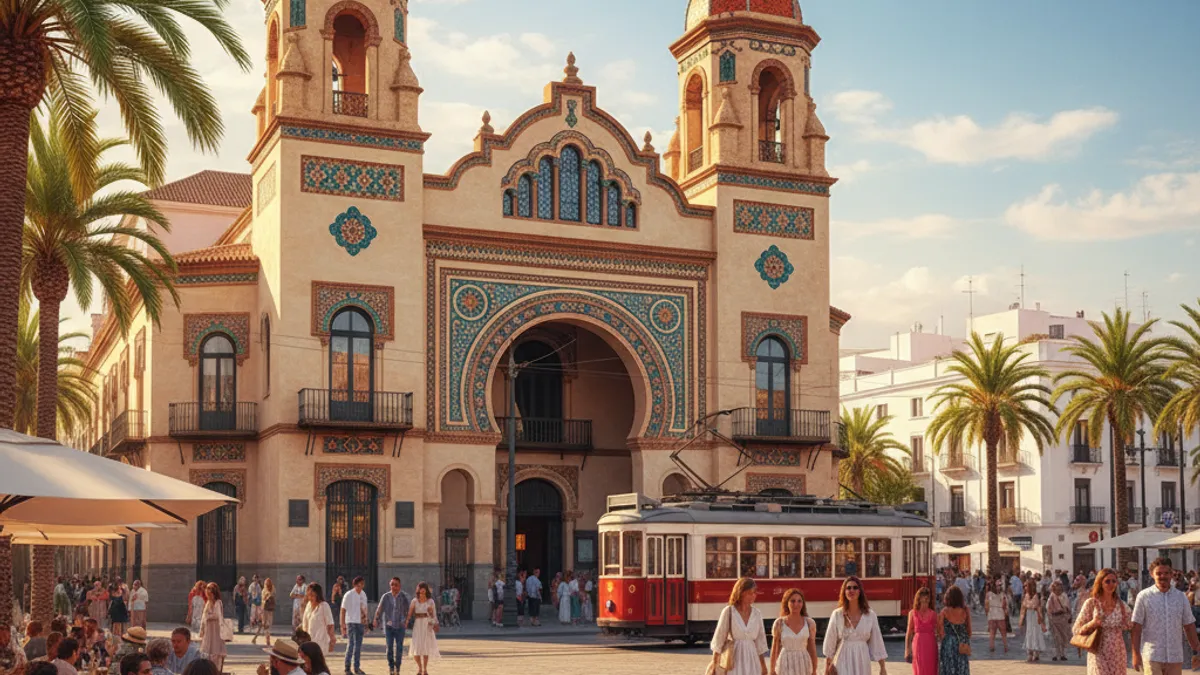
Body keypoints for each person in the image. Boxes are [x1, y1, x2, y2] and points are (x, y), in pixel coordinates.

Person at [1132, 557, 1200, 675]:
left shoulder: (1181, 597)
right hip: (1152, 656)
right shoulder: (1143, 597)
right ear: (1152, 574)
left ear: (1172, 574)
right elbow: (1136, 627)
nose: (1163, 576)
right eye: (1159, 573)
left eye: (1166, 573)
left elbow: (1189, 626)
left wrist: (1197, 650)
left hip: (1175, 656)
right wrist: (1135, 654)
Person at [822, 576, 887, 675]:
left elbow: (877, 641)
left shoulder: (870, 615)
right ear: (844, 591)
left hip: (862, 659)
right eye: (848, 588)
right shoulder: (837, 614)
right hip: (842, 658)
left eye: (855, 587)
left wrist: (882, 667)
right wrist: (827, 666)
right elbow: (830, 641)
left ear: (860, 591)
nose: (851, 590)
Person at [1074, 567, 1131, 675]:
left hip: (1118, 652)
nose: (1111, 584)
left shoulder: (1122, 605)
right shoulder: (1091, 603)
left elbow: (1131, 624)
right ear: (1100, 583)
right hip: (1098, 649)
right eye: (1107, 581)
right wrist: (1093, 623)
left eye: (1114, 581)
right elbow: (1076, 629)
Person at [709, 577, 768, 675]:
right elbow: (719, 640)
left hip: (752, 660)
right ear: (741, 593)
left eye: (754, 593)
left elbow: (760, 642)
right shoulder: (729, 612)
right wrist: (715, 665)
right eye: (750, 593)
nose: (753, 596)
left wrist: (763, 666)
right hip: (733, 659)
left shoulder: (757, 614)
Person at [769, 588, 817, 675]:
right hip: (785, 662)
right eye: (792, 601)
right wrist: (772, 670)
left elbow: (812, 648)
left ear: (803, 604)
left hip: (803, 662)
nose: (796, 604)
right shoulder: (779, 623)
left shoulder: (810, 623)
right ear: (787, 603)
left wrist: (814, 670)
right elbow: (775, 648)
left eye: (799, 601)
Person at [372, 577, 410, 675]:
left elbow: (408, 610)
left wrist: (406, 621)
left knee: (399, 647)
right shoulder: (386, 596)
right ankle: (391, 666)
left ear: (399, 586)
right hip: (389, 626)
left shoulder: (403, 596)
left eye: (396, 585)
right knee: (389, 647)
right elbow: (379, 608)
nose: (394, 587)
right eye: (392, 584)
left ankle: (398, 667)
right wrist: (376, 619)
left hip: (400, 626)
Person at [406, 582, 440, 675]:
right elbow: (409, 613)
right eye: (421, 587)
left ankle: (425, 670)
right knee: (416, 648)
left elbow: (434, 614)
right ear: (418, 589)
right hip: (418, 624)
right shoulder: (414, 601)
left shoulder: (430, 601)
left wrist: (435, 623)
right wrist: (406, 622)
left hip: (427, 625)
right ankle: (419, 668)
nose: (423, 589)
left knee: (425, 648)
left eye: (424, 587)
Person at [904, 587, 937, 675]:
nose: (926, 598)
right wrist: (907, 649)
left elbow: (938, 631)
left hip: (931, 645)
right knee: (919, 668)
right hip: (918, 644)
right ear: (919, 597)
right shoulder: (912, 613)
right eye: (924, 596)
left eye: (928, 596)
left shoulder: (933, 614)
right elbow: (909, 632)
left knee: (931, 668)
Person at [938, 586, 971, 675]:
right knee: (961, 668)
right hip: (961, 645)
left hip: (948, 644)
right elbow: (969, 631)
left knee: (948, 668)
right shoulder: (965, 610)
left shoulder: (944, 612)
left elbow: (940, 632)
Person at [339, 576, 368, 675]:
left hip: (360, 623)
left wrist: (366, 624)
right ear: (355, 585)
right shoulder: (349, 594)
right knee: (351, 644)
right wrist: (342, 625)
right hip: (351, 622)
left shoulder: (363, 594)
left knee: (358, 646)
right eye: (359, 584)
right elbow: (342, 610)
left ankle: (357, 668)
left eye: (362, 584)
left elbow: (365, 610)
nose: (360, 586)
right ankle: (347, 668)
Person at [198, 583, 226, 672]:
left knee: (216, 652)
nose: (207, 593)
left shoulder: (218, 602)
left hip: (216, 631)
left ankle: (216, 671)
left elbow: (217, 615)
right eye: (207, 591)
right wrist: (201, 630)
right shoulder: (208, 603)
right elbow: (203, 618)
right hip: (208, 631)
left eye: (209, 591)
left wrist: (208, 616)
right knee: (207, 653)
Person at [301, 583, 335, 657]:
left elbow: (330, 624)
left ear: (318, 595)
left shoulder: (324, 606)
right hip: (309, 641)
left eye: (312, 595)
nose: (310, 598)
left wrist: (332, 640)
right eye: (309, 595)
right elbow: (305, 624)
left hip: (321, 642)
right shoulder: (308, 605)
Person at [1020, 579, 1046, 662]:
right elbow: (1024, 606)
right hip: (1029, 615)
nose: (1025, 587)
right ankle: (1030, 652)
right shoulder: (1026, 595)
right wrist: (1021, 619)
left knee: (1035, 632)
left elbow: (1033, 605)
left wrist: (1027, 605)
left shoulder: (1035, 595)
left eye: (1026, 586)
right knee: (1029, 633)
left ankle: (1036, 652)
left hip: (1035, 616)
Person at [1046, 580, 1073, 661]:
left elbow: (1068, 606)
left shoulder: (1064, 596)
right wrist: (1057, 611)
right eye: (1057, 590)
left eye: (1060, 589)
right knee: (1055, 637)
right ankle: (1055, 654)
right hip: (1054, 619)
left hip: (1063, 619)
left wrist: (1068, 614)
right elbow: (1048, 609)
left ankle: (1062, 654)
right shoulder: (1051, 597)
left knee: (1063, 636)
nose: (1059, 591)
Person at [984, 577, 1008, 653]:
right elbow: (1004, 605)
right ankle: (1005, 646)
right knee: (1003, 633)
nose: (999, 587)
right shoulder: (1002, 594)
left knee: (992, 632)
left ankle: (992, 647)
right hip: (1000, 613)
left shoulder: (988, 594)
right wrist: (1006, 612)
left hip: (992, 613)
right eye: (999, 585)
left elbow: (986, 605)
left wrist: (987, 613)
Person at [253, 578, 276, 646]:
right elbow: (263, 600)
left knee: (265, 625)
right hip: (265, 610)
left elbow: (272, 598)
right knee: (265, 625)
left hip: (268, 610)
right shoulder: (265, 590)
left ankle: (255, 638)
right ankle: (267, 640)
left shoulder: (272, 590)